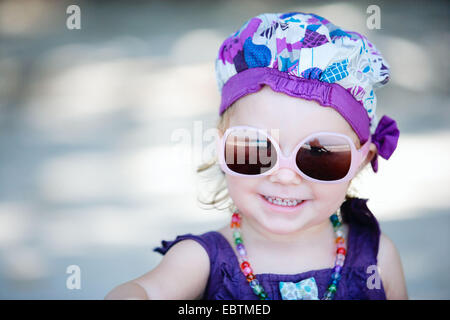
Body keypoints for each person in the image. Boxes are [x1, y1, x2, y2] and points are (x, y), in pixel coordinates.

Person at [105, 12, 408, 300]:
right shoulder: (201, 261)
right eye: (257, 149)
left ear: (362, 161)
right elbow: (145, 291)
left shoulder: (377, 258)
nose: (285, 175)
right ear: (221, 147)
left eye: (319, 154)